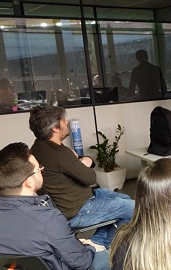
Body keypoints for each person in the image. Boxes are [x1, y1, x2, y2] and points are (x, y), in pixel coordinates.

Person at [0, 142, 112, 270]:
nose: (41, 172)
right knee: (121, 257)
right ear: (29, 182)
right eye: (39, 170)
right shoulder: (47, 218)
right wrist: (87, 247)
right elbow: (82, 263)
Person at [29, 105, 134, 248]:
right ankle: (101, 243)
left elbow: (81, 162)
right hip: (80, 210)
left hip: (79, 202)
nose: (66, 123)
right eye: (64, 120)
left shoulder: (37, 148)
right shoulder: (60, 153)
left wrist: (84, 161)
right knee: (134, 208)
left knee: (125, 199)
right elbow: (91, 178)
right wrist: (86, 161)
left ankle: (96, 241)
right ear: (55, 128)